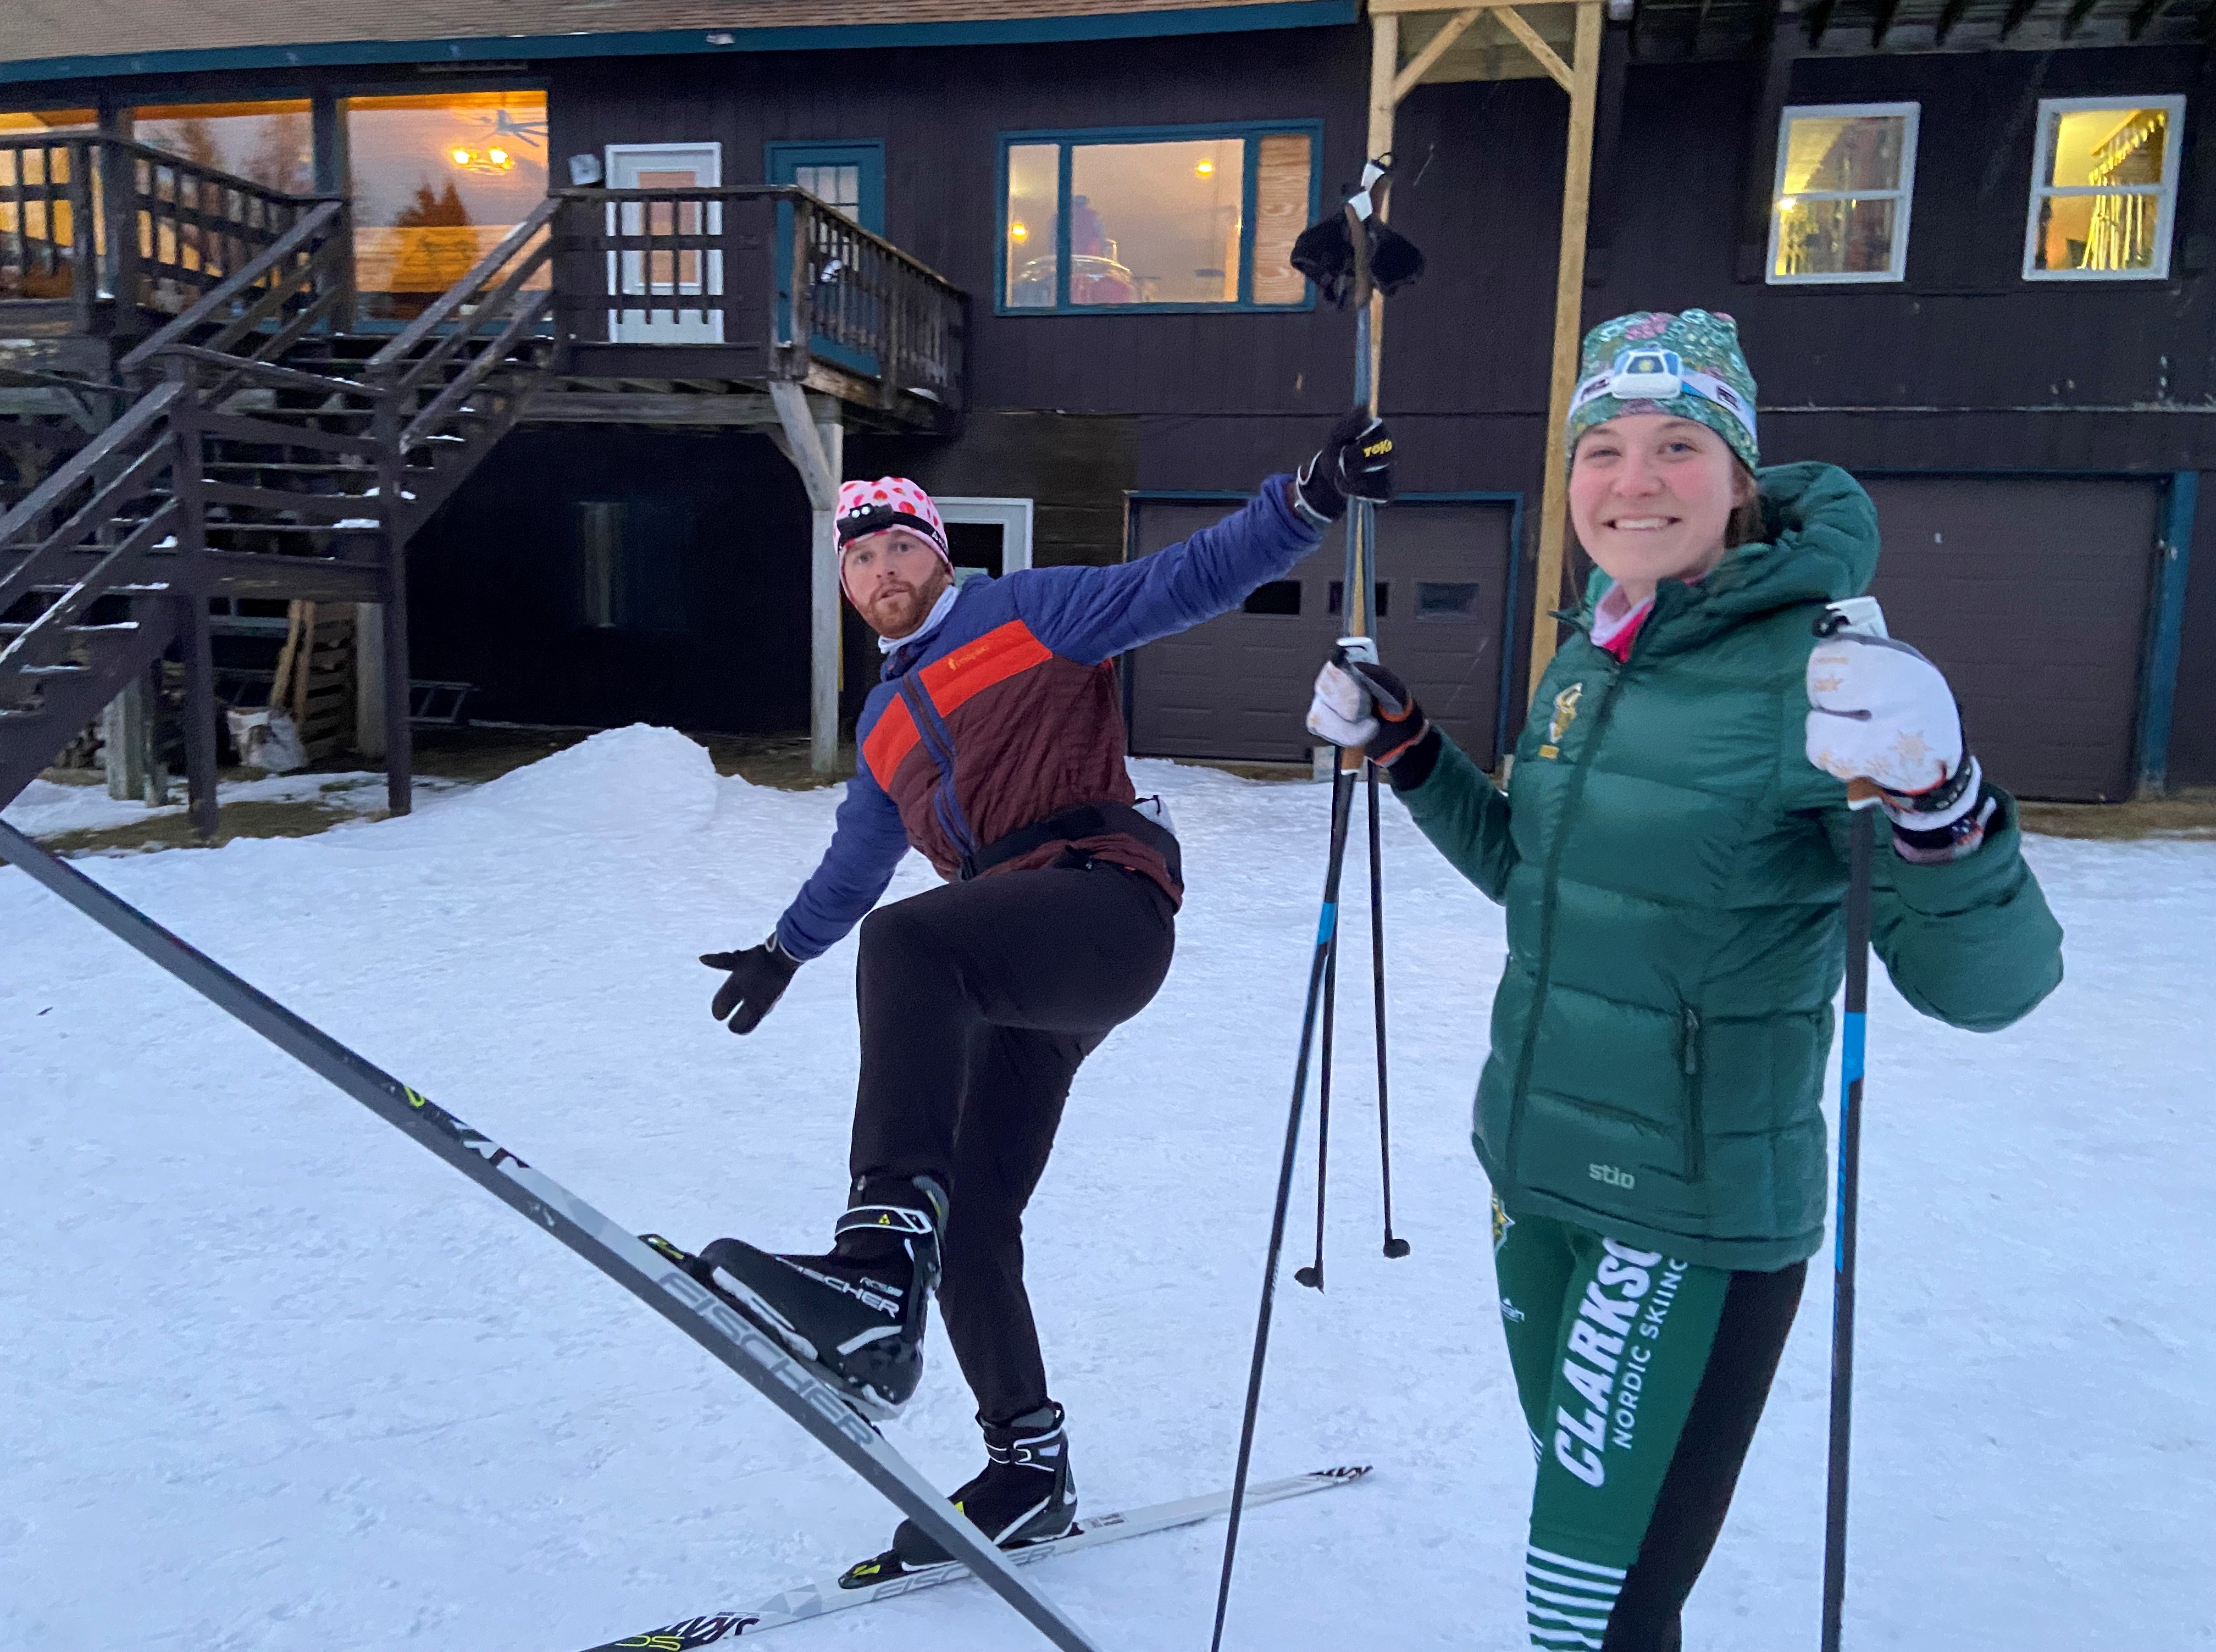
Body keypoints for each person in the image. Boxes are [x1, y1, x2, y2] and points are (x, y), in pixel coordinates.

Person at [1306, 309, 2062, 1651]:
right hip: (1534, 1183)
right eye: (1601, 448)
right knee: (1604, 1588)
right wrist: (1413, 754)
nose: (1632, 480)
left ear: (1739, 473)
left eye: (1674, 445)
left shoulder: (1822, 674)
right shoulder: (1597, 654)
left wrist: (1946, 809)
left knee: (1586, 1615)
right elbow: (1545, 882)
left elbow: (1986, 987)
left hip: (1690, 1221)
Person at [693, 411, 1394, 1576]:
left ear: (941, 555)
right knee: (973, 1225)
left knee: (909, 948)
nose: (880, 573)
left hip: (1100, 906)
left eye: (898, 549)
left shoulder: (1029, 615)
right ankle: (1031, 1464)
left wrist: (1305, 504)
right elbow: (856, 862)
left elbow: (1187, 579)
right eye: (859, 560)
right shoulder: (879, 728)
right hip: (1014, 961)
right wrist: (782, 949)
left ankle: (873, 1272)